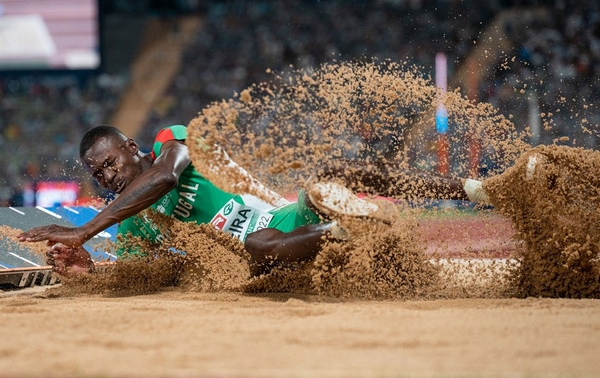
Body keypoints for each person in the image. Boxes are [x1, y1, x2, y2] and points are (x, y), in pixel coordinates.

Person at [18, 124, 489, 276]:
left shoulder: (169, 142)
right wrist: (89, 270)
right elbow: (141, 275)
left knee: (325, 180)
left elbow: (164, 178)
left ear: (131, 147)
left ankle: (472, 190)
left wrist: (84, 229)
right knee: (257, 244)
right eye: (98, 174)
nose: (107, 177)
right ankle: (348, 233)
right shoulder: (132, 224)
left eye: (109, 162)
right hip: (263, 255)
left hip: (287, 217)